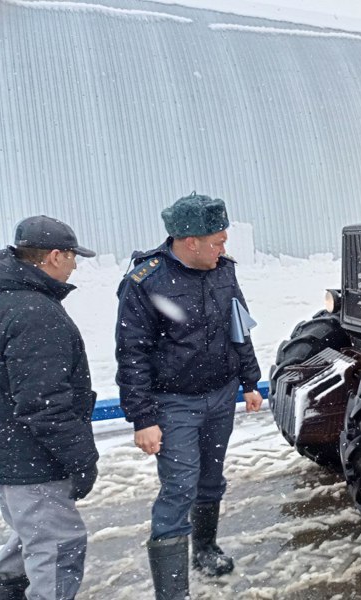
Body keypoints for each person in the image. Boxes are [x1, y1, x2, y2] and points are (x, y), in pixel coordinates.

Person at [115, 193, 263, 600]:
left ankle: (206, 548)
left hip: (220, 395)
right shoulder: (146, 282)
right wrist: (142, 418)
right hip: (174, 403)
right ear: (189, 241)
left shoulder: (223, 272)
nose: (223, 249)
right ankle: (172, 591)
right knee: (179, 488)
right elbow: (132, 355)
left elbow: (240, 326)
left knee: (210, 480)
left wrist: (250, 381)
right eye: (216, 241)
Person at [0, 216, 99, 600]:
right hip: (33, 459)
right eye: (73, 256)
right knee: (58, 546)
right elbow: (44, 404)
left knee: (30, 537)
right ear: (55, 256)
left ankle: (8, 587)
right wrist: (81, 459)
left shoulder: (8, 299)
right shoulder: (36, 313)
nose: (74, 265)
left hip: (11, 454)